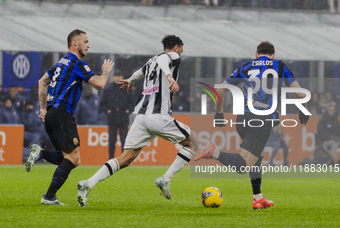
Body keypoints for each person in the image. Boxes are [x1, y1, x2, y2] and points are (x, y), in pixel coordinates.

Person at [77, 35, 199, 207]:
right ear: (176, 47)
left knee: (125, 158)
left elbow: (139, 72)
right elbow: (165, 60)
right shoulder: (170, 56)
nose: (181, 52)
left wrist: (130, 80)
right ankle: (166, 179)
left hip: (141, 118)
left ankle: (88, 183)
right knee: (193, 143)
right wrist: (170, 77)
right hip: (159, 116)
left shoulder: (151, 61)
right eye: (181, 49)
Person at [194, 41, 309, 210]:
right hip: (261, 120)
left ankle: (258, 198)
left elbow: (220, 90)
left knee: (258, 156)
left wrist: (219, 113)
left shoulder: (246, 67)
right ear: (273, 55)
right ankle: (214, 152)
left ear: (256, 55)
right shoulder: (280, 66)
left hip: (243, 119)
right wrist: (303, 111)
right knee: (243, 165)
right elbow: (301, 93)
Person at [25, 29, 114, 205]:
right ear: (75, 43)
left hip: (52, 114)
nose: (88, 45)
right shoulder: (77, 64)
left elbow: (42, 81)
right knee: (74, 159)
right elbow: (100, 84)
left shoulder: (60, 63)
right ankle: (49, 197)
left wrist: (43, 108)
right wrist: (105, 72)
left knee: (65, 157)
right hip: (63, 114)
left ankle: (39, 153)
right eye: (85, 41)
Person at [100, 71, 135, 158]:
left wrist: (128, 110)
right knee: (112, 141)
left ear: (122, 77)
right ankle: (111, 159)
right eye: (116, 76)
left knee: (124, 141)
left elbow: (133, 103)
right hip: (112, 119)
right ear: (113, 77)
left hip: (124, 118)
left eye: (119, 76)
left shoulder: (127, 87)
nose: (118, 78)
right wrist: (107, 111)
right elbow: (102, 104)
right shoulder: (108, 89)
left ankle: (124, 159)